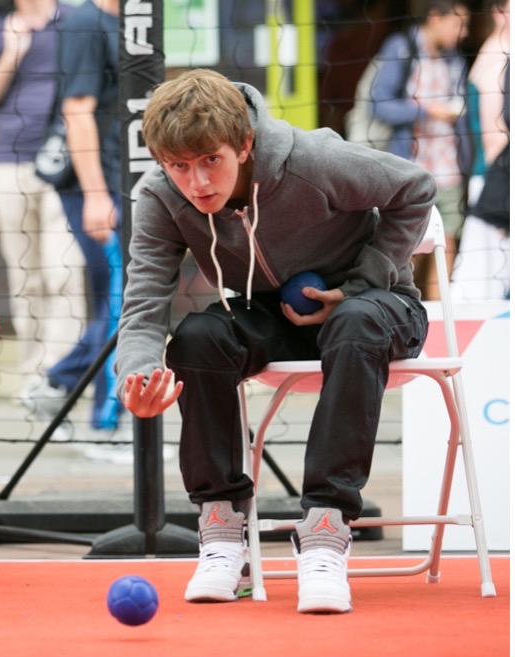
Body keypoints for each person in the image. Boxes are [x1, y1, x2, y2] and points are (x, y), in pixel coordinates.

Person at [116, 69, 435, 614]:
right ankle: (221, 533)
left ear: (244, 143)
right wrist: (137, 371)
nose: (197, 183)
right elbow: (146, 300)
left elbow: (416, 187)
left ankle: (326, 529)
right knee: (197, 337)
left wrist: (363, 279)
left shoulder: (311, 161)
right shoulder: (160, 198)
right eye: (178, 167)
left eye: (210, 160)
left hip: (377, 306)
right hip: (272, 313)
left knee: (356, 321)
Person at [21, 0, 129, 463]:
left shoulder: (133, 21)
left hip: (122, 181)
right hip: (96, 184)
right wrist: (97, 194)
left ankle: (56, 385)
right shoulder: (86, 21)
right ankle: (106, 428)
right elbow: (77, 111)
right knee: (124, 302)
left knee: (125, 301)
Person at [0, 0, 85, 388]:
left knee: (63, 270)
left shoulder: (74, 19)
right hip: (9, 163)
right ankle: (36, 376)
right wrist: (11, 52)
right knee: (25, 277)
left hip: (64, 164)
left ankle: (60, 377)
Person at [368, 0, 471, 298]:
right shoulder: (401, 48)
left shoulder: (455, 60)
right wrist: (427, 111)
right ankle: (406, 305)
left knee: (447, 237)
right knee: (410, 242)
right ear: (435, 18)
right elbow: (381, 105)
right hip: (410, 164)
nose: (461, 32)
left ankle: (441, 312)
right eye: (456, 24)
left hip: (448, 163)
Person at [451, 0, 510, 300]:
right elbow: (495, 134)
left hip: (493, 178)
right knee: (478, 282)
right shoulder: (499, 55)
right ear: (500, 12)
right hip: (493, 180)